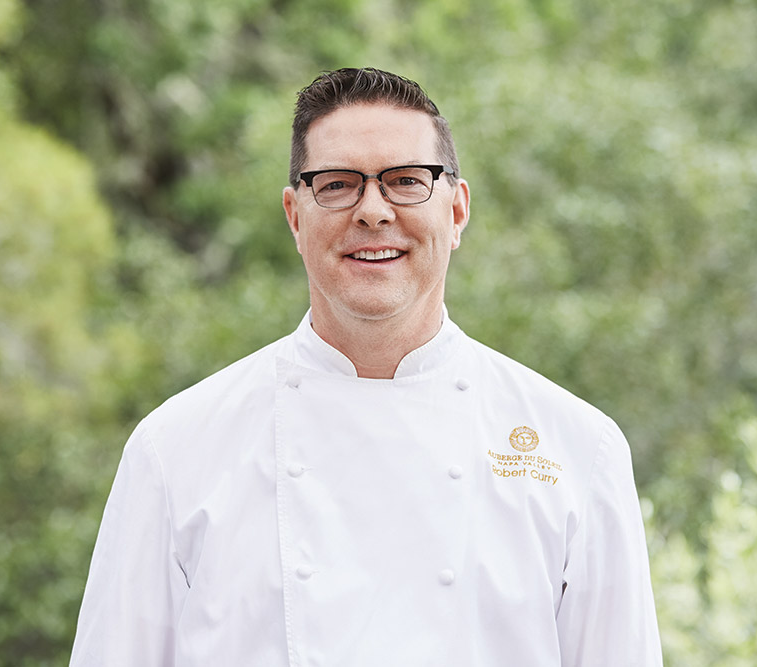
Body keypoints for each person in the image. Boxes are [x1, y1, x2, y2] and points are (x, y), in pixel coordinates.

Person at [69, 67, 663, 666]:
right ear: (294, 216)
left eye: (406, 181)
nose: (373, 211)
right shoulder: (175, 450)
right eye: (337, 184)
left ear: (457, 210)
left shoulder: (579, 451)